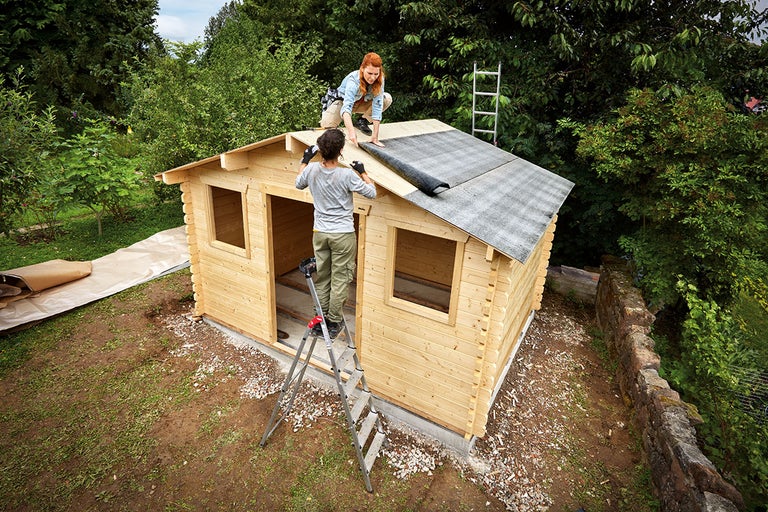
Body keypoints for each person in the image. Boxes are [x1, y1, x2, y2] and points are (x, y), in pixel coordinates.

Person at [295, 128, 376, 338]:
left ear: (320, 150)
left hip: (320, 232)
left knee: (323, 277)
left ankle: (320, 317)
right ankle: (333, 322)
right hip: (342, 235)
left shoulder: (311, 170)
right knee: (340, 278)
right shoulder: (347, 174)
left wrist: (304, 160)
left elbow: (298, 183)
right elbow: (372, 193)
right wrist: (362, 171)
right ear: (340, 151)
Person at [320, 52, 392, 148]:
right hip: (342, 103)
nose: (373, 77)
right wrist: (351, 132)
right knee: (326, 125)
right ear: (362, 69)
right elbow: (346, 108)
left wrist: (375, 137)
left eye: (376, 74)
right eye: (369, 73)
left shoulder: (380, 79)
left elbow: (377, 106)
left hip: (362, 104)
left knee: (386, 98)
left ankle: (362, 120)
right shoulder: (353, 80)